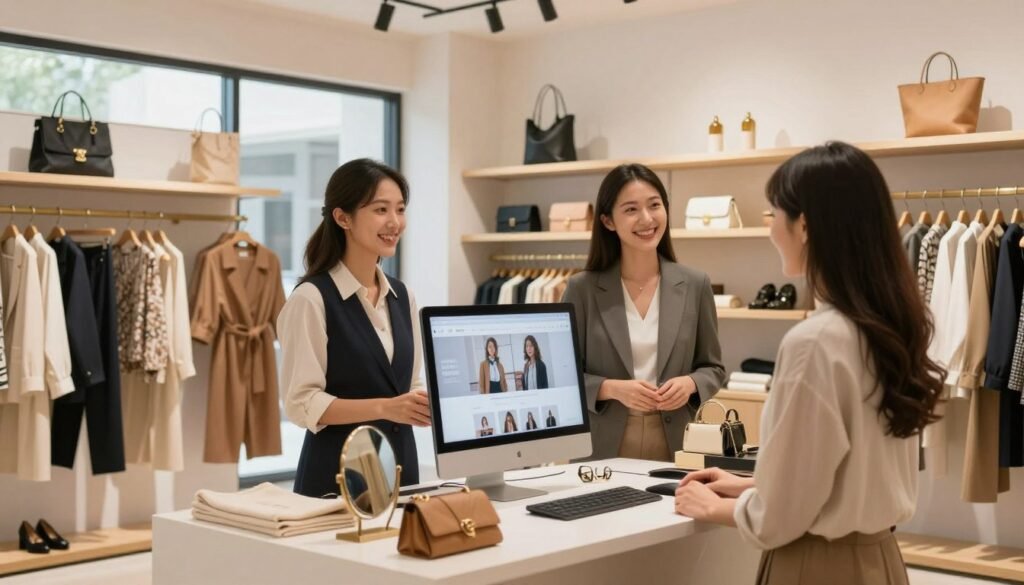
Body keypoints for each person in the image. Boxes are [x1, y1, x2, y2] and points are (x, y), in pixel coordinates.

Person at [674, 142, 944, 585]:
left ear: (804, 226)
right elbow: (852, 472)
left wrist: (715, 506)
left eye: (774, 214)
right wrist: (754, 485)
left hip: (818, 564)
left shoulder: (816, 342)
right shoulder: (892, 326)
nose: (770, 230)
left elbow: (779, 518)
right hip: (880, 560)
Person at [279, 158, 431, 498]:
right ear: (342, 217)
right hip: (336, 480)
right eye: (381, 209)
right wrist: (385, 407)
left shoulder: (402, 296)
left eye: (400, 209)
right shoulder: (311, 299)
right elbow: (302, 403)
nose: (394, 222)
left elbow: (409, 383)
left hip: (402, 471)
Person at [562, 163, 726, 461]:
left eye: (654, 205)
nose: (647, 219)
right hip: (601, 445)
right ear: (608, 221)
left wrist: (690, 383)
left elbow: (713, 368)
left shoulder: (695, 284)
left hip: (677, 442)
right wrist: (611, 389)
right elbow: (563, 378)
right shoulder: (581, 289)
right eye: (631, 209)